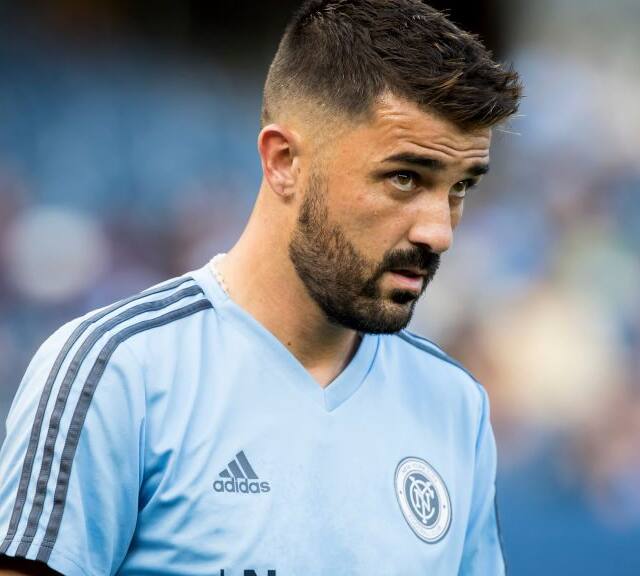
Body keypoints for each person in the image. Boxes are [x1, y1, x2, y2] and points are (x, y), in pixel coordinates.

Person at [0, 0, 522, 573]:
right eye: (404, 177)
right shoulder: (116, 372)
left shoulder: (455, 406)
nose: (439, 231)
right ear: (283, 161)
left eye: (460, 188)